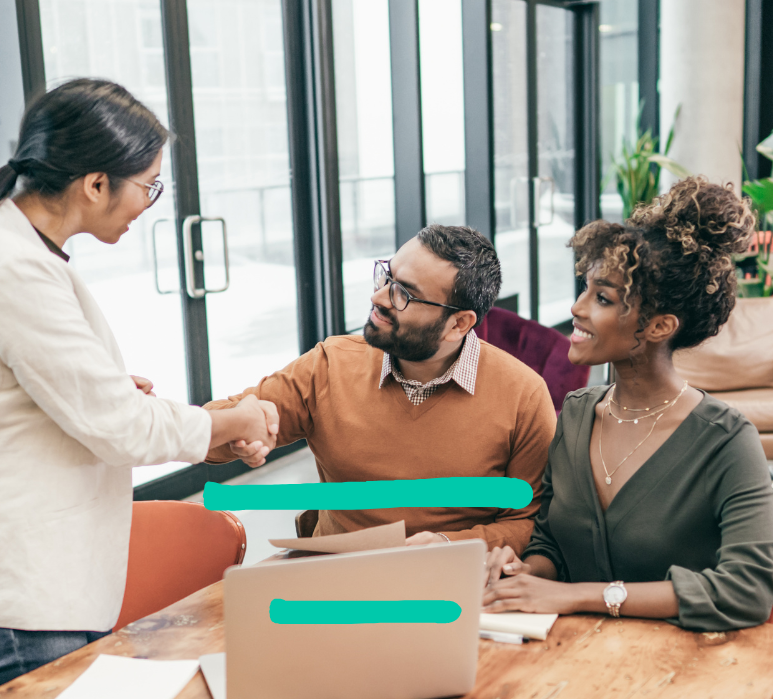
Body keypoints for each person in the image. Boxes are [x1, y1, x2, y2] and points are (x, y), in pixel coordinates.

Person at [0, 79, 279, 691]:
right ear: (96, 184)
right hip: (27, 587)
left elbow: (7, 390)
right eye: (148, 186)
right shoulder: (15, 270)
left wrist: (97, 388)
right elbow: (121, 427)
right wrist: (233, 421)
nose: (149, 203)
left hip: (42, 572)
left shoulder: (8, 244)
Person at [484, 177, 773, 632]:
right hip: (567, 661)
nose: (577, 308)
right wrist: (525, 573)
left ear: (659, 327)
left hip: (681, 675)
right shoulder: (577, 414)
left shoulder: (726, 441)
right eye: (584, 288)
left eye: (603, 298)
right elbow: (552, 545)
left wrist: (579, 596)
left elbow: (746, 590)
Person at [204, 225, 556, 551]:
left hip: (449, 584)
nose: (380, 297)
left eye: (404, 294)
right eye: (386, 276)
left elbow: (530, 521)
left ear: (458, 324)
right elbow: (208, 435)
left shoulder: (523, 395)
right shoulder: (330, 365)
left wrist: (451, 544)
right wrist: (236, 426)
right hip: (335, 579)